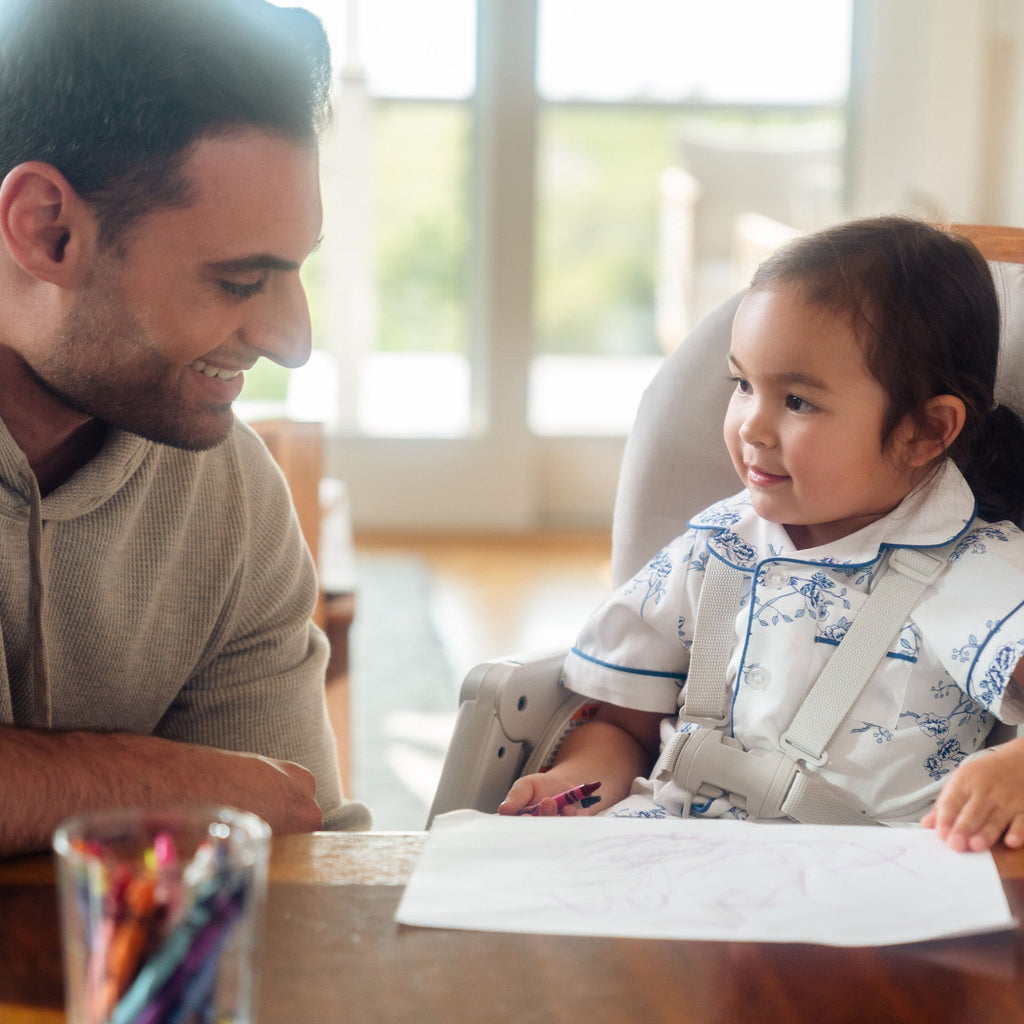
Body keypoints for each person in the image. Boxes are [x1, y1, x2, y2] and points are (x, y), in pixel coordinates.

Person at [500, 215, 1024, 852]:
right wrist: (576, 785)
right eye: (743, 385)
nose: (752, 425)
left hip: (855, 889)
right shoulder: (713, 547)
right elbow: (623, 726)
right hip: (666, 856)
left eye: (797, 401)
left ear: (925, 431)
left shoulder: (976, 571)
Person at [0, 0, 371, 856]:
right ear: (47, 230)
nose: (295, 341)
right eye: (243, 278)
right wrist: (176, 782)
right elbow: (244, 797)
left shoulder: (228, 494)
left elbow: (292, 838)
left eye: (297, 270)